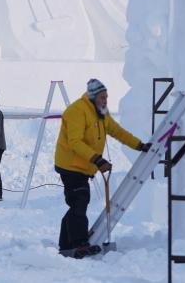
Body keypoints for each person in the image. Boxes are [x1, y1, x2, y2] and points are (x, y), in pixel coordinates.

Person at [54, 78, 148, 258]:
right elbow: (75, 141)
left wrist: (140, 145)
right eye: (102, 97)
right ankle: (79, 243)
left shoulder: (101, 113)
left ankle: (66, 244)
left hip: (84, 165)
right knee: (79, 201)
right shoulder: (77, 111)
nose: (105, 100)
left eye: (106, 97)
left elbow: (117, 131)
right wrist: (97, 159)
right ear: (92, 97)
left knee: (77, 203)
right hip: (70, 164)